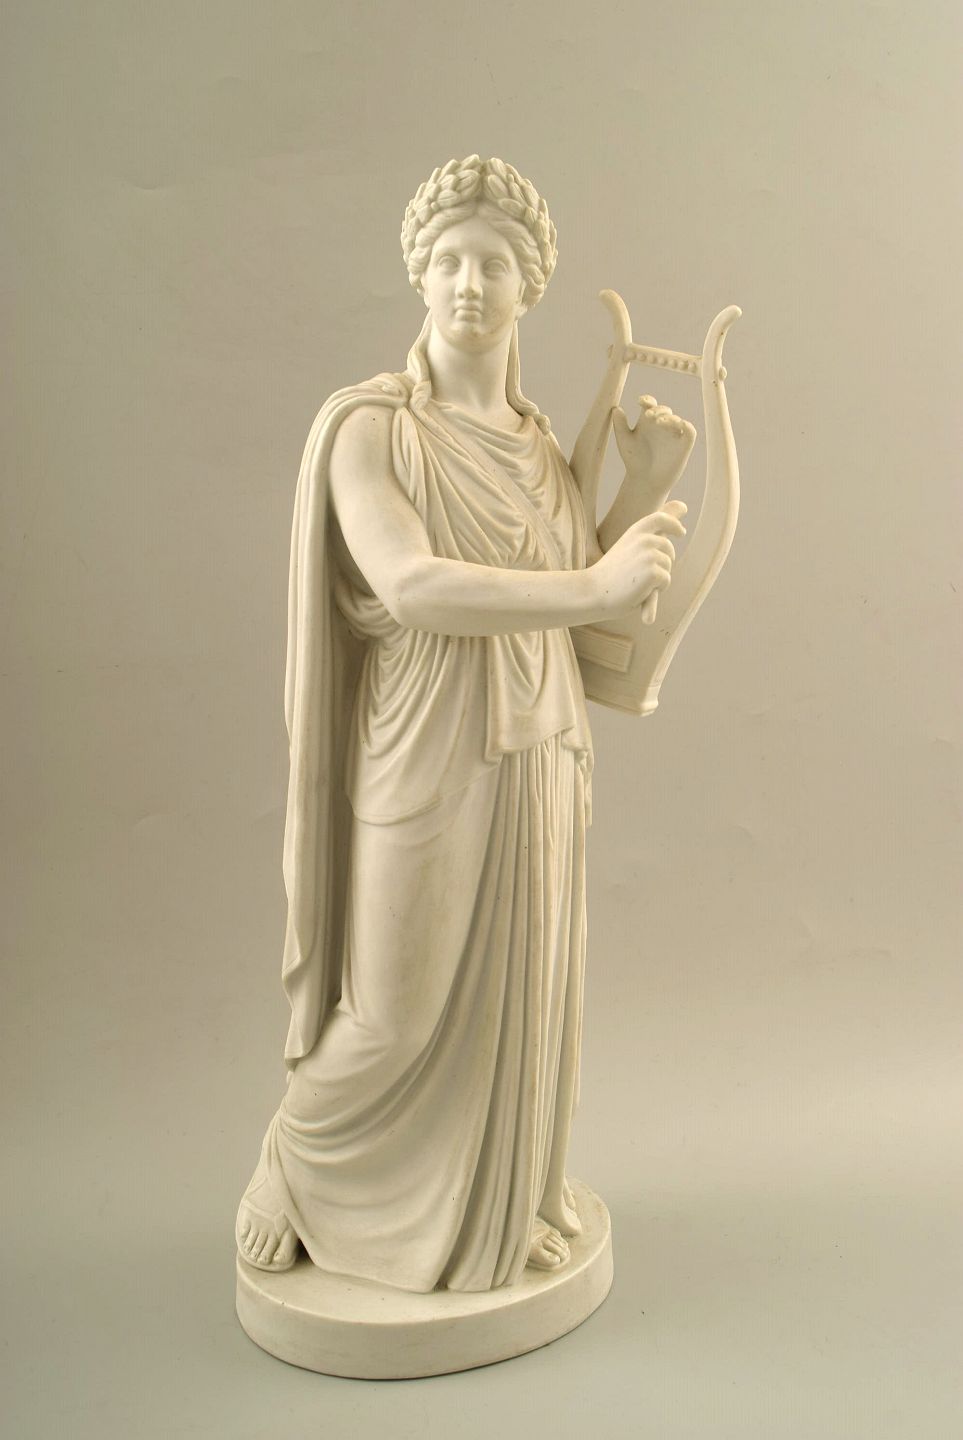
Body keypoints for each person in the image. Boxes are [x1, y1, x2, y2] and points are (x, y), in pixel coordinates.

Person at [235, 156, 690, 1293]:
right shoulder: (368, 428)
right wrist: (593, 582)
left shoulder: (535, 446)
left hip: (537, 746)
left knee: (519, 992)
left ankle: (498, 1202)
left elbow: (587, 602)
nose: (468, 284)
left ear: (530, 287)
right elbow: (413, 585)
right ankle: (291, 1161)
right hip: (424, 742)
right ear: (418, 275)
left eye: (493, 264)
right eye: (447, 260)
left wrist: (640, 486)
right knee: (390, 1011)